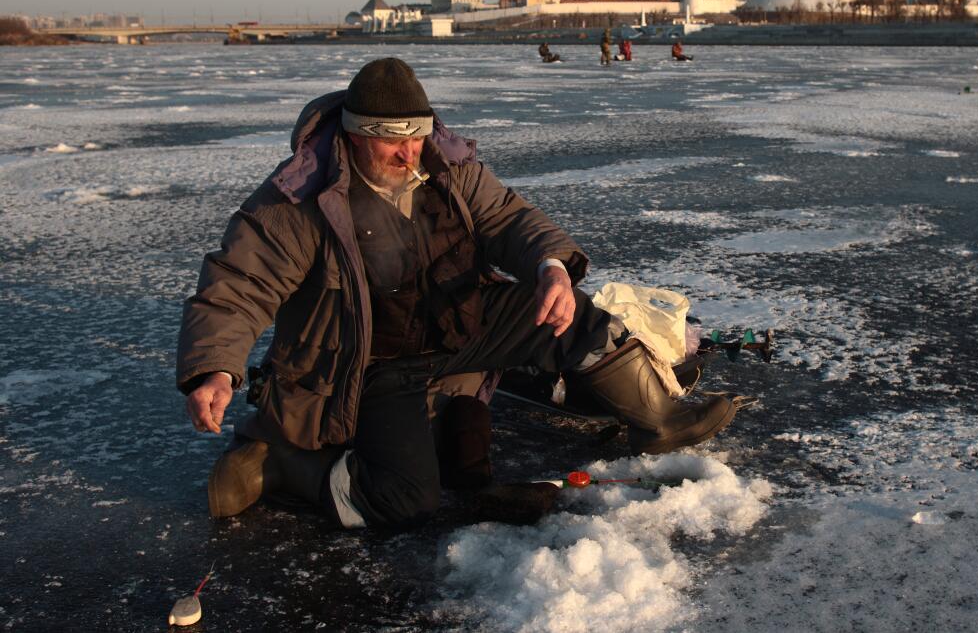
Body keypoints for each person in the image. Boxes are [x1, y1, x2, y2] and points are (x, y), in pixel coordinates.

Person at [177, 58, 736, 529]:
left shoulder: (448, 169)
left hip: (456, 329)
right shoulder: (296, 201)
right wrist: (217, 367)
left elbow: (508, 218)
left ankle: (660, 419)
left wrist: (551, 267)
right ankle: (282, 464)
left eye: (417, 137)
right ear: (353, 136)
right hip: (368, 364)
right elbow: (237, 286)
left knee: (570, 314)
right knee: (405, 502)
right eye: (391, 142)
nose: (408, 154)